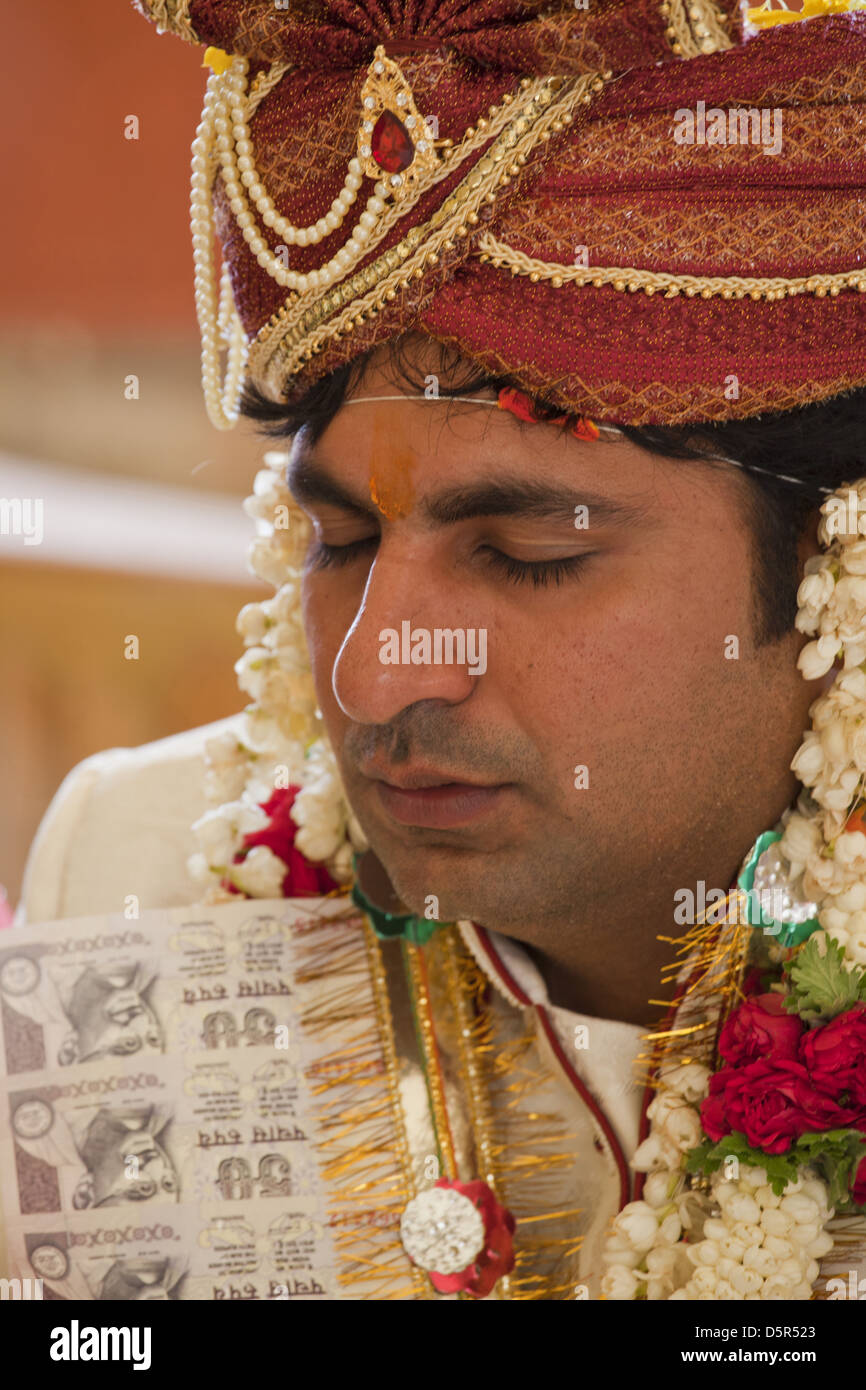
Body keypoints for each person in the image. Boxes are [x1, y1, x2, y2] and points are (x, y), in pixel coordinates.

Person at [12, 0, 866, 1299]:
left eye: (528, 557)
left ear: (830, 569)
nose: (370, 672)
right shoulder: (135, 873)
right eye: (341, 539)